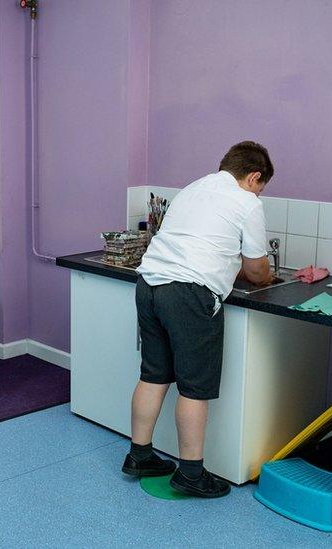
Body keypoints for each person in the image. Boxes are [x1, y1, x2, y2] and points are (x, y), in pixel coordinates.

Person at [123, 141, 275, 498]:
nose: (259, 192)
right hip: (188, 294)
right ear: (254, 177)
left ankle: (139, 455)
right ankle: (191, 474)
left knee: (154, 374)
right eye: (261, 185)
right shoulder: (247, 202)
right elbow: (257, 269)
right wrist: (265, 276)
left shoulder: (193, 188)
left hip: (149, 284)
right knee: (194, 386)